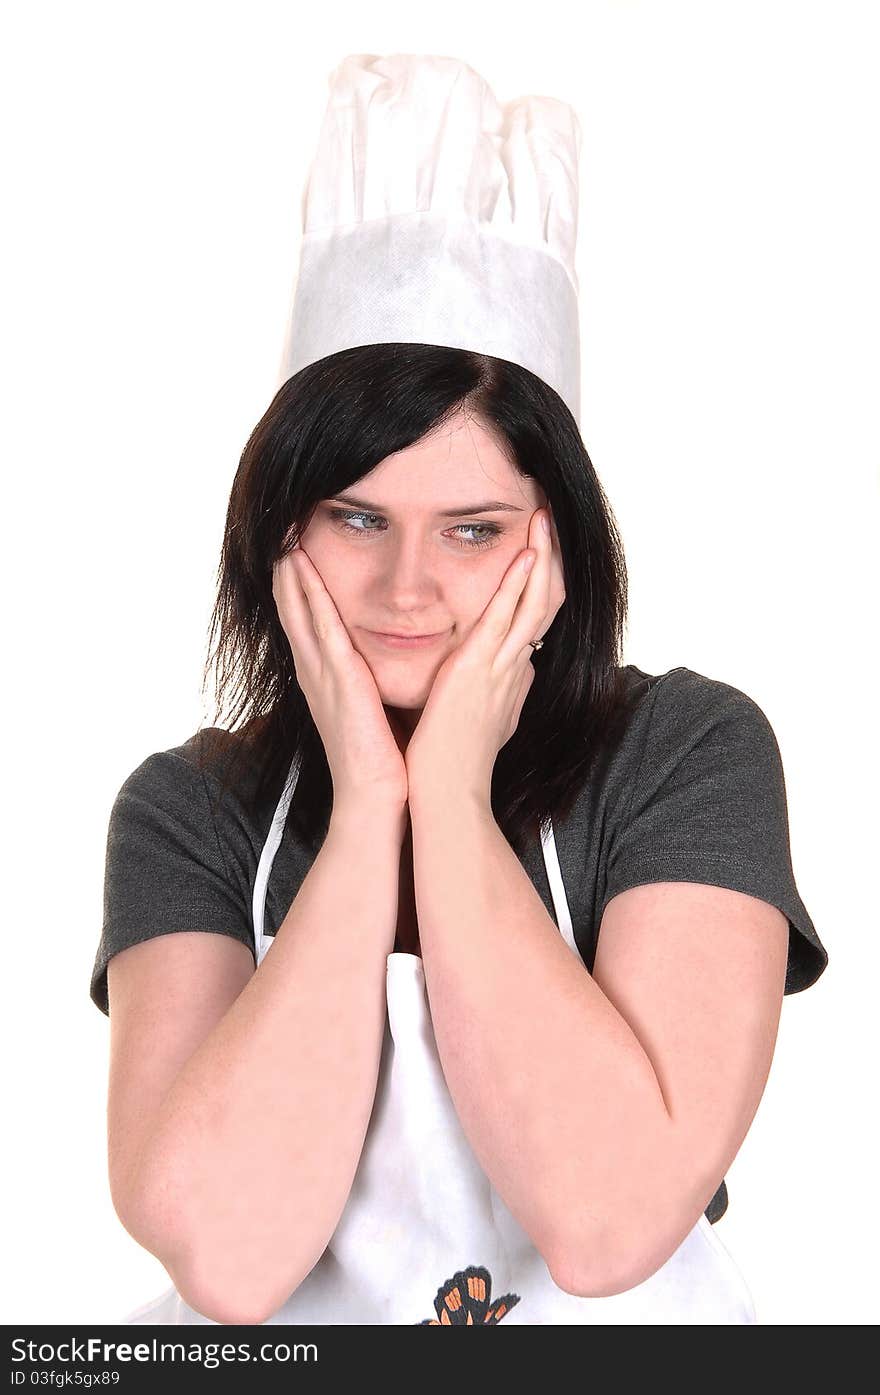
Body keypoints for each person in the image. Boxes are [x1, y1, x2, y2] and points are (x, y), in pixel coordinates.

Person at [90, 57, 828, 1326]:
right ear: (280, 526)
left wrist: (449, 788)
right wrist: (371, 804)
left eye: (473, 530)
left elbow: (607, 1223)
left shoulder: (686, 753)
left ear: (555, 540)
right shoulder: (189, 811)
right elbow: (229, 1259)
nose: (406, 589)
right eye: (356, 516)